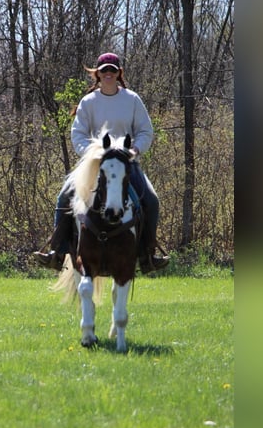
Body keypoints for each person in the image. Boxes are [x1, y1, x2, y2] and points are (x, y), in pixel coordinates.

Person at [34, 52, 169, 274]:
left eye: (112, 70)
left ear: (119, 74)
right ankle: (57, 252)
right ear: (97, 73)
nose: (108, 74)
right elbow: (78, 133)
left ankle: (147, 255)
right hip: (94, 164)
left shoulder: (132, 99)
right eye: (104, 70)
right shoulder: (88, 102)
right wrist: (91, 154)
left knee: (151, 200)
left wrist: (135, 149)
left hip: (126, 163)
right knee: (64, 197)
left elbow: (145, 131)